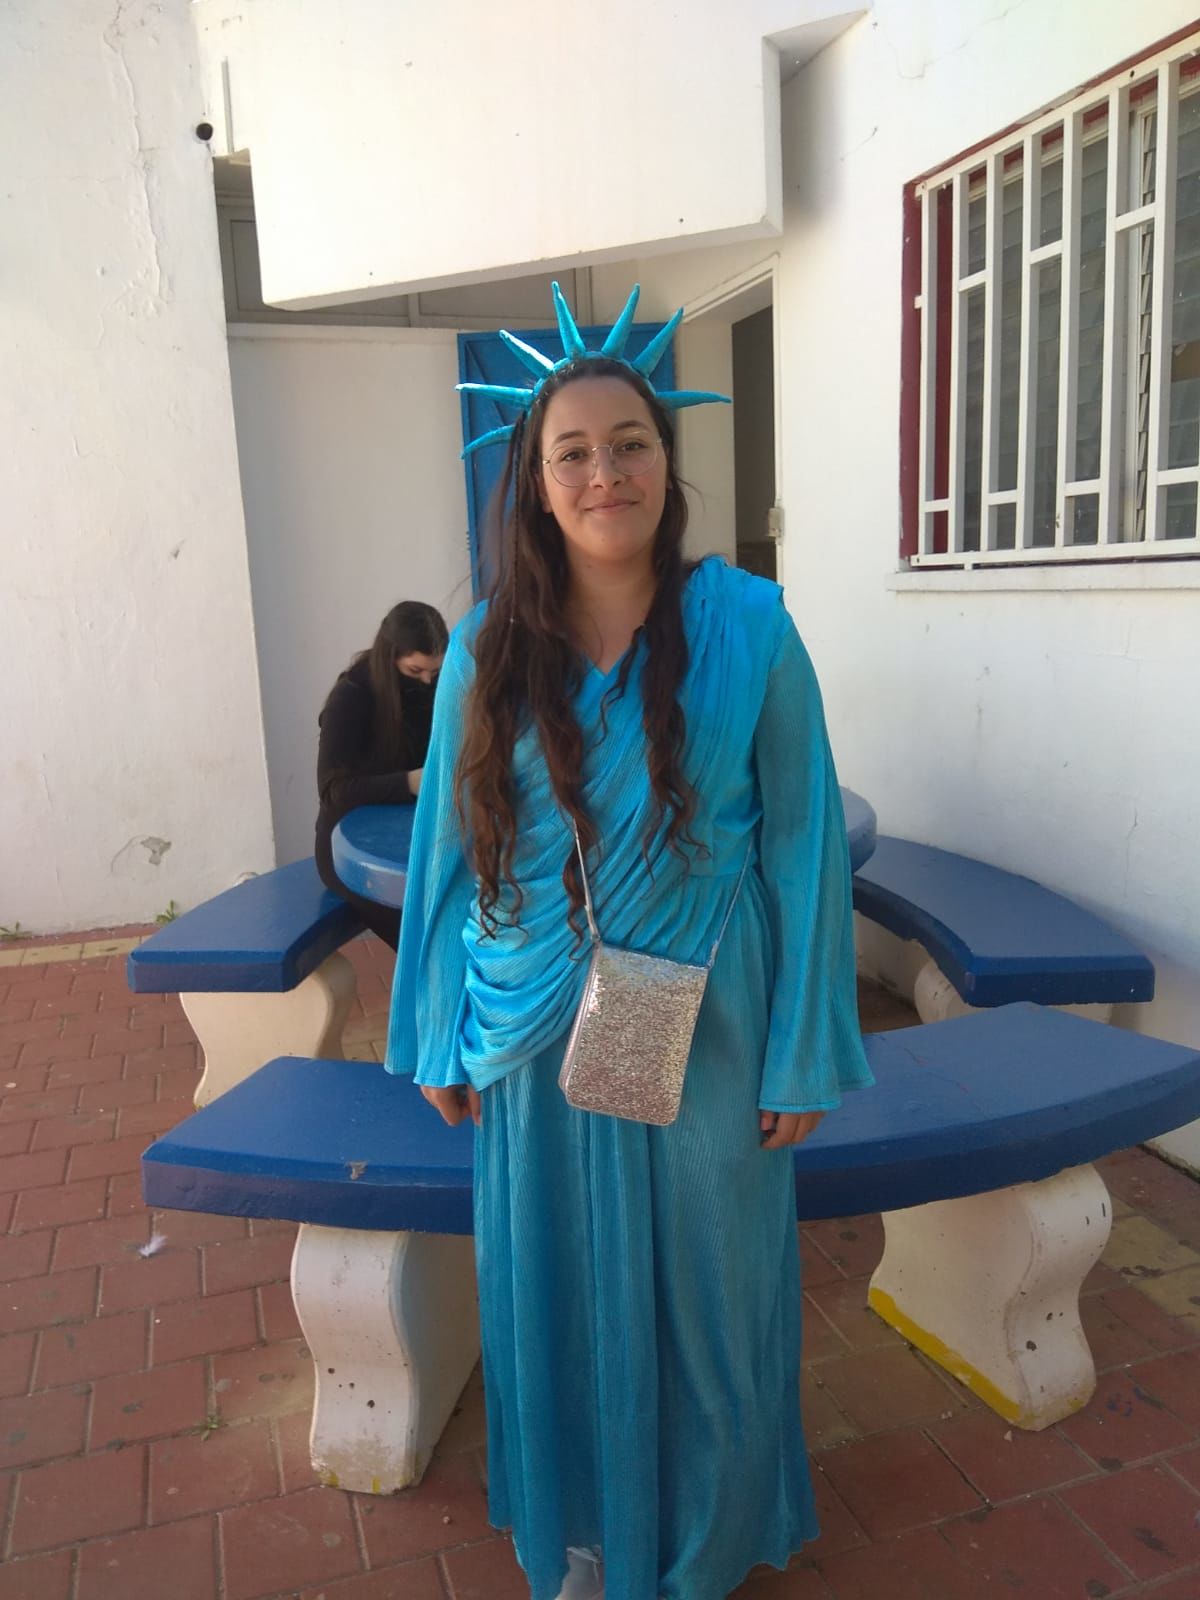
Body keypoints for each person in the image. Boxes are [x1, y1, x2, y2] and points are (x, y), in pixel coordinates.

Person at [386, 286, 872, 1600]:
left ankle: (703, 1551)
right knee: (555, 1293)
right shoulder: (487, 646)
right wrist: (433, 1031)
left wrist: (804, 1049)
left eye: (630, 443)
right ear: (538, 486)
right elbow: (448, 853)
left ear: (668, 461)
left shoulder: (753, 628)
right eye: (574, 452)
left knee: (714, 1292)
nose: (605, 472)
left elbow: (804, 842)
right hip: (530, 1029)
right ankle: (589, 1542)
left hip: (708, 1019)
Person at [315, 600, 448, 950]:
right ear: (390, 657)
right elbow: (332, 790)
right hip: (349, 852)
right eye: (416, 670)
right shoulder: (351, 698)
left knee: (458, 912)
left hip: (408, 838)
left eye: (435, 671)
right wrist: (409, 782)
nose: (427, 681)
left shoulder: (432, 686)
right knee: (425, 938)